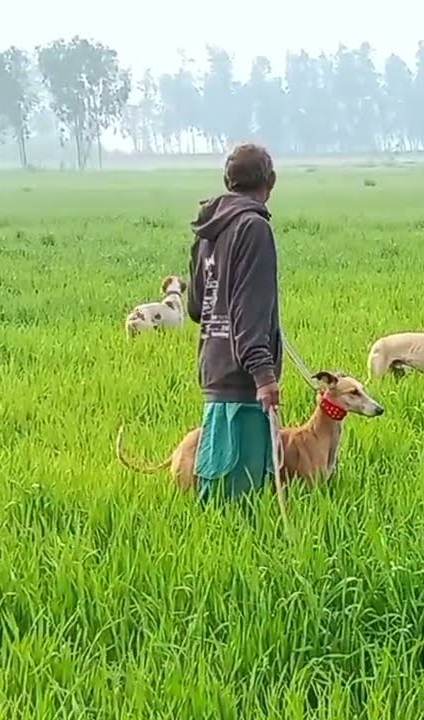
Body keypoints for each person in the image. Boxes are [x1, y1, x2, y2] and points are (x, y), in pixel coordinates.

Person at [185, 142, 284, 507]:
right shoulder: (254, 228)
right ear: (270, 182)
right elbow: (248, 309)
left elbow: (198, 307)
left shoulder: (208, 231)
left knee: (213, 487)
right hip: (245, 382)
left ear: (228, 181)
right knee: (242, 499)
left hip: (214, 370)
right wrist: (264, 375)